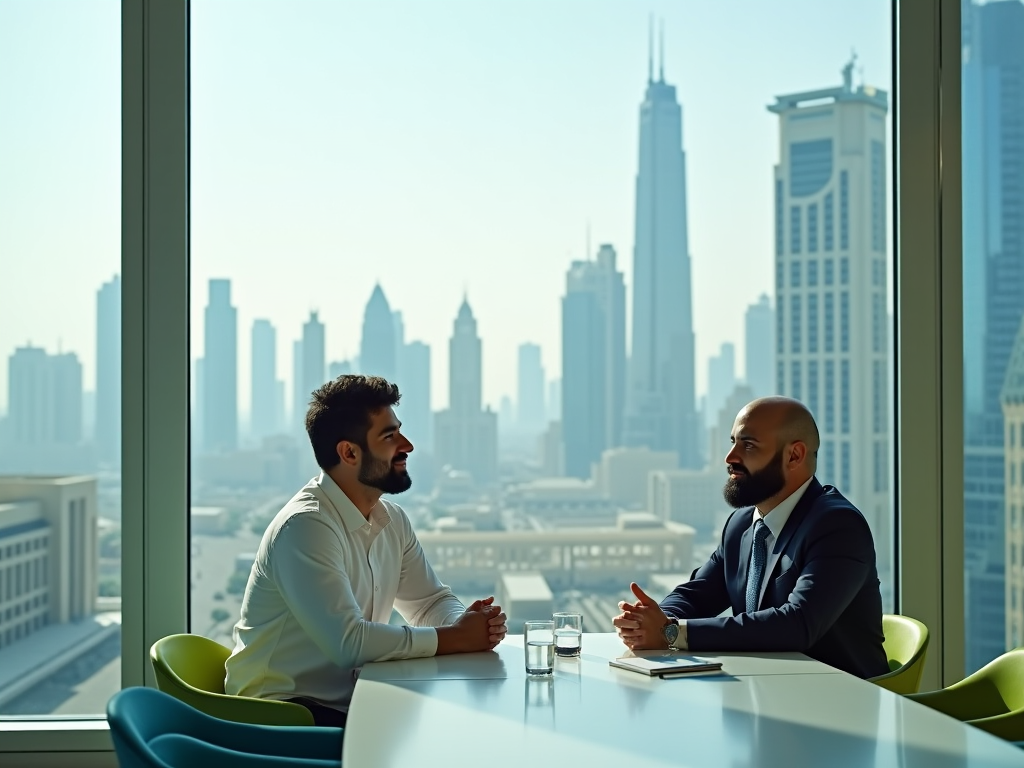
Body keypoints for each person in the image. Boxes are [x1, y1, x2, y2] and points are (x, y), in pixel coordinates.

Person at [225, 375, 507, 726]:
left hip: (348, 703)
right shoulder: (306, 526)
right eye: (389, 436)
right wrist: (457, 637)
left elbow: (428, 603)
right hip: (283, 715)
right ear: (349, 452)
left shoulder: (392, 520)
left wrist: (468, 624)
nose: (407, 445)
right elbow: (350, 643)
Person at [613, 396, 888, 679]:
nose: (730, 457)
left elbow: (798, 624)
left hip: (842, 700)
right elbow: (698, 593)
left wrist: (671, 633)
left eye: (748, 445)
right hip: (767, 689)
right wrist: (649, 620)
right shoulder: (741, 525)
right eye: (732, 442)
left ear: (794, 456)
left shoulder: (837, 526)